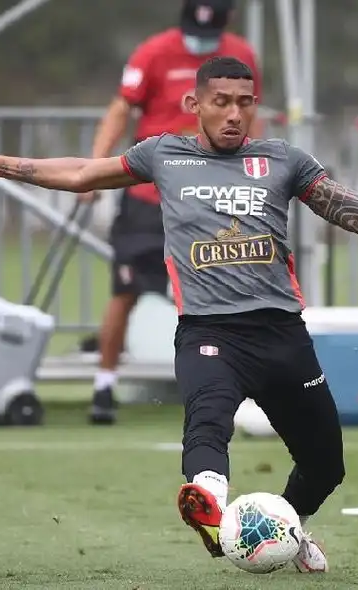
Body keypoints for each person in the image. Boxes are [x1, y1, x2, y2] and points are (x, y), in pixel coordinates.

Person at [0, 56, 358, 573]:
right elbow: (81, 172)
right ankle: (208, 502)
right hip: (208, 332)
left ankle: (288, 528)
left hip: (282, 334)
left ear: (255, 105)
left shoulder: (284, 160)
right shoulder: (162, 155)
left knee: (327, 465)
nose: (234, 114)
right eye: (221, 103)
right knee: (207, 422)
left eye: (244, 103)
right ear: (195, 104)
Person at [82, 0, 262, 425]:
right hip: (148, 197)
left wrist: (256, 176)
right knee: (125, 290)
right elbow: (121, 108)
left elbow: (250, 118)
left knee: (227, 292)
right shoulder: (153, 52)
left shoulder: (241, 55)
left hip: (210, 198)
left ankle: (235, 387)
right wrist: (95, 165)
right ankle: (104, 385)